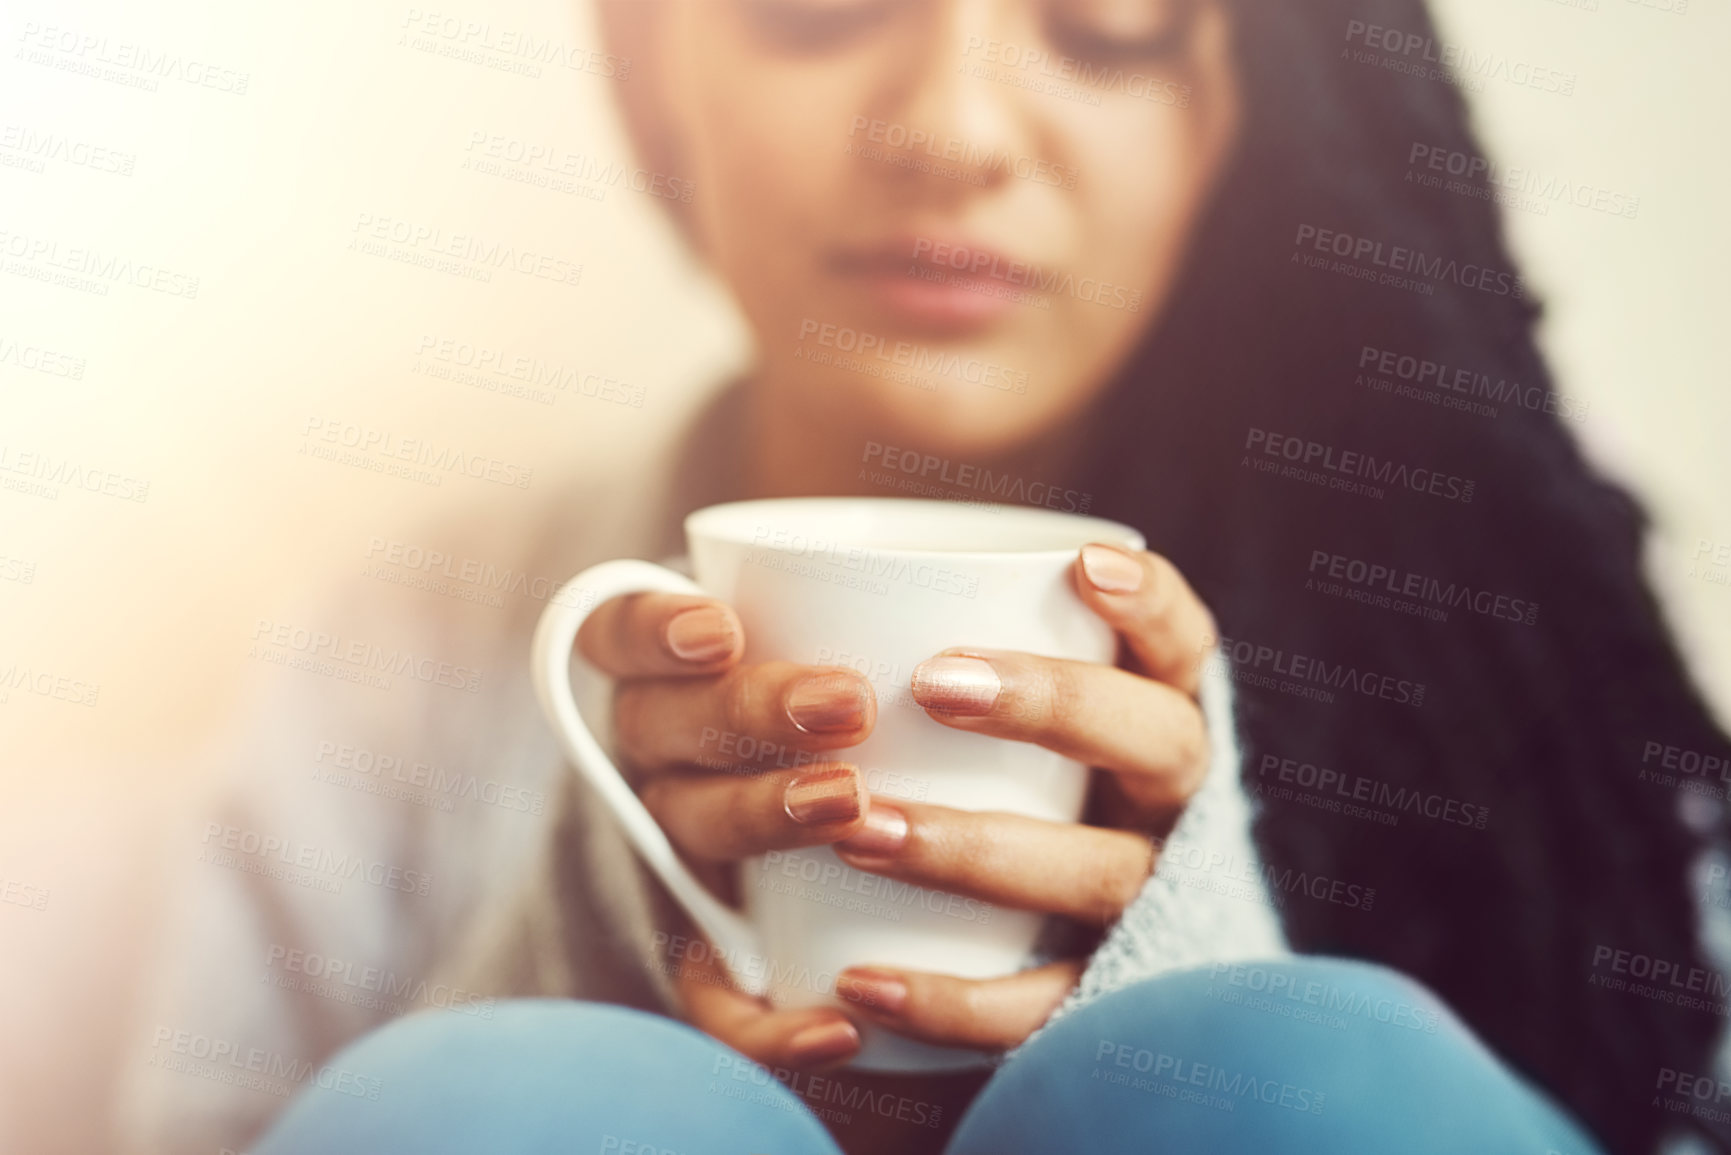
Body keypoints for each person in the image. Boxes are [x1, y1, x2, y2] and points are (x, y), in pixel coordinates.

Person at [118, 0, 1731, 1152]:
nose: (953, 133)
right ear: (649, 65)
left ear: (1245, 110)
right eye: (822, 12)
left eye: (1106, 31)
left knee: (1300, 1073)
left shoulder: (1509, 620)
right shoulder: (418, 636)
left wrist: (1184, 964)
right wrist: (636, 959)